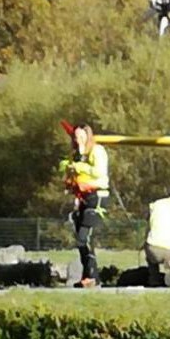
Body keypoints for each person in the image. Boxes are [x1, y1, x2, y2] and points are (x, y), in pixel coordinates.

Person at [59, 123, 110, 288]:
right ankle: (89, 275)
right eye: (75, 137)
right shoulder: (75, 155)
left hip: (97, 197)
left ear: (88, 136)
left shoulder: (97, 151)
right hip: (82, 198)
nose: (78, 140)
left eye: (81, 136)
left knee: (84, 237)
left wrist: (79, 166)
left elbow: (99, 173)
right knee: (80, 240)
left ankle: (92, 276)